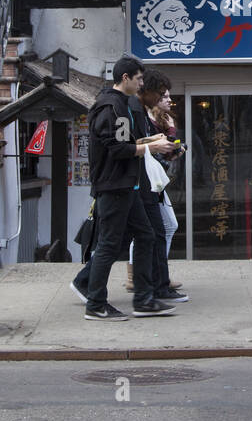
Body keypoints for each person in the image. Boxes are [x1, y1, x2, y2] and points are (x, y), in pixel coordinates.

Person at [76, 55, 178, 321]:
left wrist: (150, 141)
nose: (142, 83)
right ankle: (96, 303)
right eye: (139, 78)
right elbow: (118, 149)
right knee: (109, 245)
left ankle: (144, 300)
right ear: (126, 78)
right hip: (114, 186)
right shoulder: (112, 106)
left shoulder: (121, 104)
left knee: (146, 235)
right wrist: (150, 147)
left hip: (127, 185)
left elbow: (122, 142)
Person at [128, 68, 187, 301]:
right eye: (163, 95)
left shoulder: (158, 117)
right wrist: (157, 142)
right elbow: (130, 145)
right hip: (143, 180)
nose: (169, 99)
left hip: (154, 180)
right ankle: (147, 280)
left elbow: (160, 152)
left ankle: (157, 277)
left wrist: (173, 148)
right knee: (141, 233)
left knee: (160, 229)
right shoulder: (135, 111)